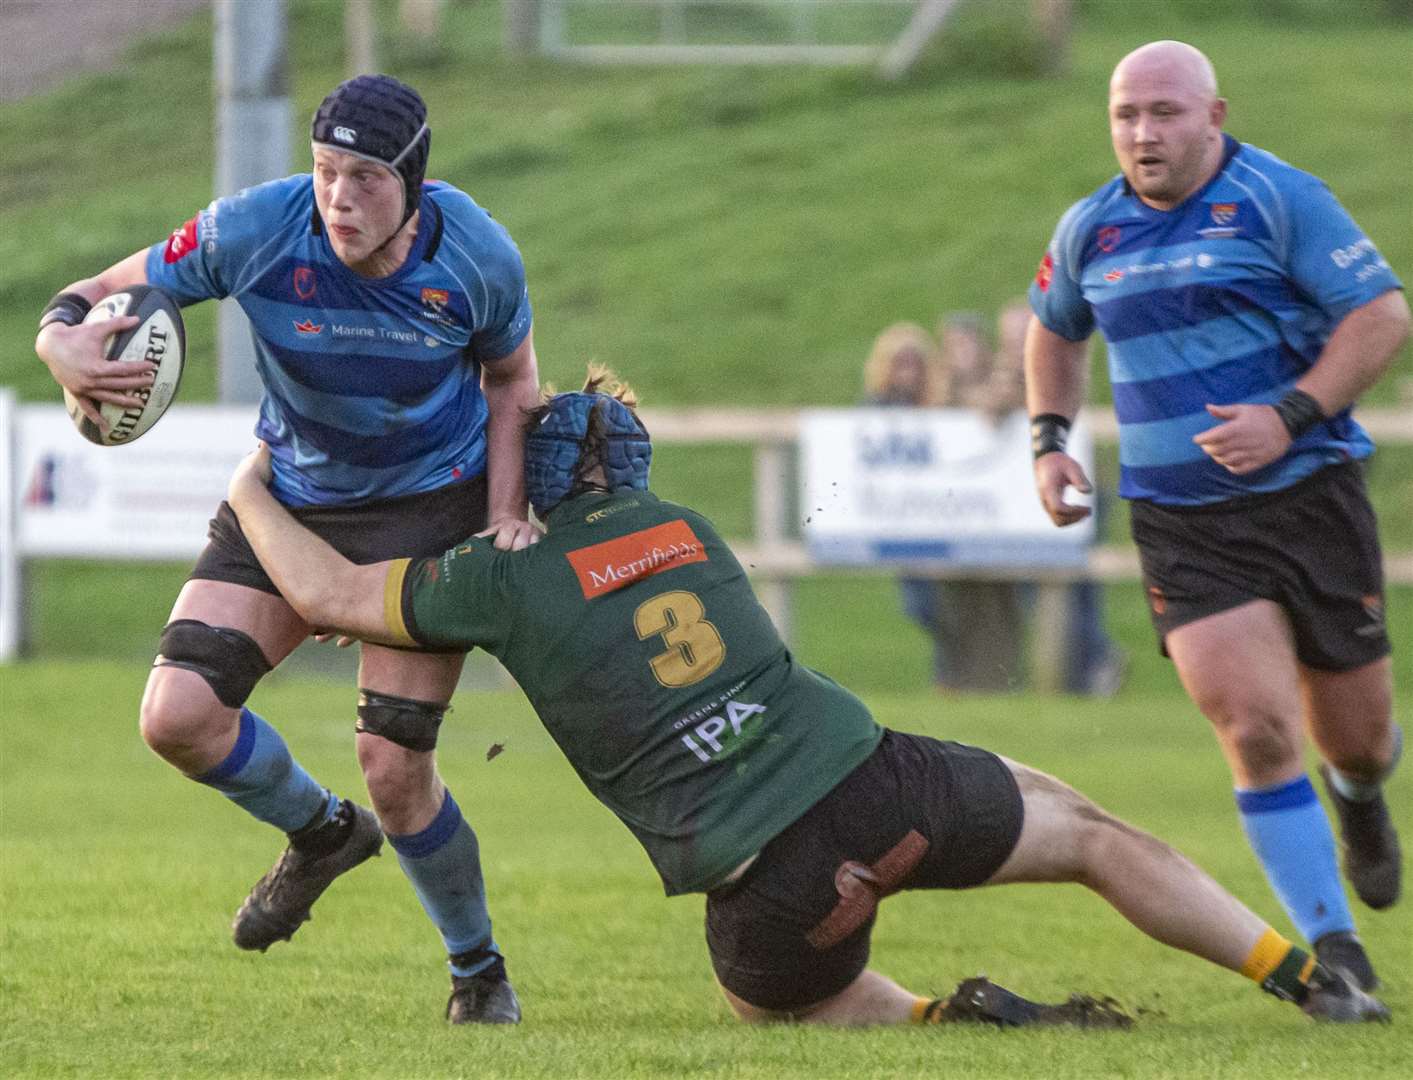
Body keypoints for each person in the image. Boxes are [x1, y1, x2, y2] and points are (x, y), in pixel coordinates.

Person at [223, 367, 1389, 1026]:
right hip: (879, 785)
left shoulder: (497, 577)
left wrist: (250, 490)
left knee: (775, 1009)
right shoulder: (686, 526)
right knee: (1092, 833)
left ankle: (942, 1021)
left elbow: (325, 589)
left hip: (759, 886)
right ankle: (1300, 977)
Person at [32, 74, 536, 1023]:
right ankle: (321, 834)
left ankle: (478, 970)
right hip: (289, 499)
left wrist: (503, 512)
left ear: (414, 184)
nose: (339, 198)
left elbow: (513, 381)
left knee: (392, 766)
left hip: (428, 514)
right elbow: (106, 288)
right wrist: (59, 339)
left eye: (366, 178)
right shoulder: (255, 227)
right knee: (176, 716)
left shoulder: (475, 256)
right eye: (324, 170)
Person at [1024, 40, 1407, 994]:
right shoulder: (1090, 230)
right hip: (1183, 523)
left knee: (1354, 738)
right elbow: (1052, 327)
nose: (1142, 133)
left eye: (1163, 112)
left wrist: (1288, 416)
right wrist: (1048, 439)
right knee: (1254, 727)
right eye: (1124, 115)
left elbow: (1381, 317)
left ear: (1213, 116)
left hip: (1309, 498)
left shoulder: (1280, 201)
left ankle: (1358, 796)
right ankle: (1336, 950)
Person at [995, 298, 1127, 697]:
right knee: (1039, 592)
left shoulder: (1054, 374)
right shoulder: (997, 377)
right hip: (1014, 501)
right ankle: (1078, 671)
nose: (1020, 343)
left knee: (1077, 590)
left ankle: (1092, 666)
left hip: (1069, 487)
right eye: (1014, 334)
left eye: (1025, 333)